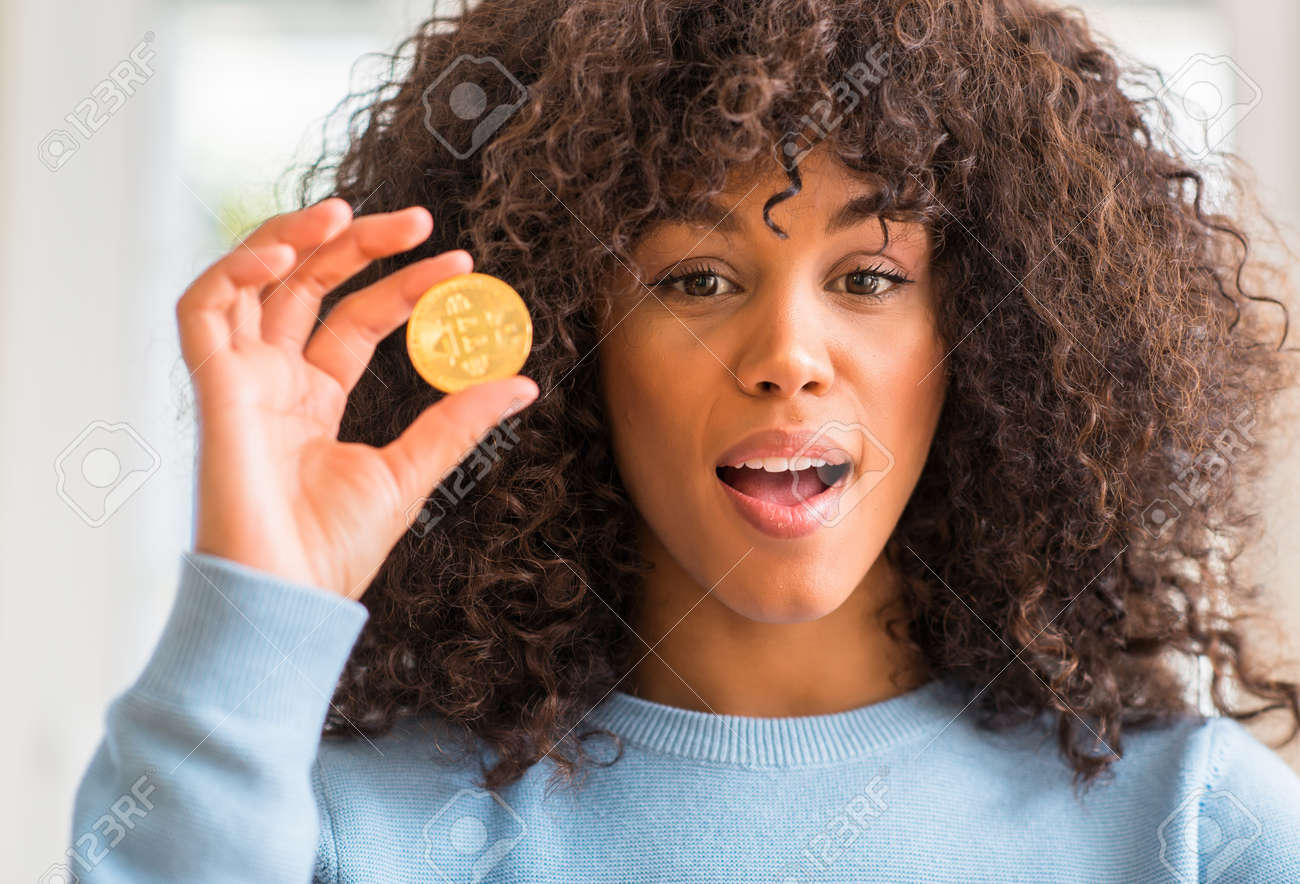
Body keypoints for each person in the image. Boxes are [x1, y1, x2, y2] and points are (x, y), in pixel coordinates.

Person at [68, 0, 1300, 881]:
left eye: (869, 277)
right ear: (564, 338)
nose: (786, 351)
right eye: (698, 277)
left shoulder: (1189, 828)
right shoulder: (344, 829)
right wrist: (256, 607)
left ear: (992, 340)